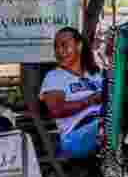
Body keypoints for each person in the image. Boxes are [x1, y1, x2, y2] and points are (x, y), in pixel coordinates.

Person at [39, 27, 105, 160]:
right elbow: (56, 110)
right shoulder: (54, 77)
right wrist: (90, 100)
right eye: (56, 47)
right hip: (75, 136)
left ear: (79, 46)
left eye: (64, 45)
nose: (59, 51)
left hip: (101, 125)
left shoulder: (95, 75)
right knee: (108, 128)